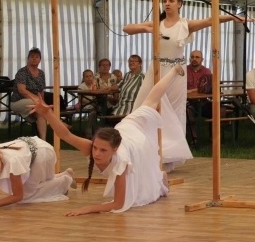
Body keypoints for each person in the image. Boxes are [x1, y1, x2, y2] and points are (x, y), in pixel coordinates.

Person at [31, 66, 186, 215]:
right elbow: (65, 135)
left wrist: (88, 209)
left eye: (103, 150)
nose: (97, 153)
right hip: (124, 128)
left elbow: (118, 204)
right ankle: (160, 177)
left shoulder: (121, 163)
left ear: (115, 150)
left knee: (150, 102)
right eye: (96, 148)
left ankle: (173, 72)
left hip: (136, 141)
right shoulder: (91, 147)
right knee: (148, 103)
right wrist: (47, 114)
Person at [124, 0, 250, 169]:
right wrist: (146, 28)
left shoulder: (185, 24)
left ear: (179, 3)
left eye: (171, 1)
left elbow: (209, 20)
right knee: (143, 106)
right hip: (158, 68)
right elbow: (126, 28)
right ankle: (140, 149)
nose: (167, 4)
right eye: (164, 1)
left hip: (176, 70)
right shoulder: (157, 23)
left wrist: (232, 18)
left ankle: (169, 154)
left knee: (175, 112)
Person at [0, 138, 73, 212]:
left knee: (27, 196)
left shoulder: (12, 162)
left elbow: (17, 196)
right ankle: (64, 174)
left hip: (43, 153)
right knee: (31, 187)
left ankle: (65, 181)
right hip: (33, 148)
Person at [9, 48, 48, 140]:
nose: (34, 59)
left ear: (40, 59)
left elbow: (41, 91)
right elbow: (22, 91)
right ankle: (58, 122)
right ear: (28, 58)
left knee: (41, 114)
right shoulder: (22, 72)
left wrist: (41, 101)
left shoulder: (41, 73)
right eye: (32, 57)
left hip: (34, 102)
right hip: (18, 102)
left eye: (37, 57)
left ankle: (43, 140)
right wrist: (38, 100)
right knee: (41, 106)